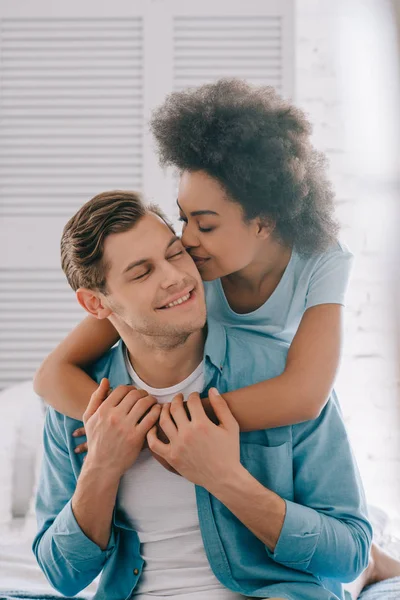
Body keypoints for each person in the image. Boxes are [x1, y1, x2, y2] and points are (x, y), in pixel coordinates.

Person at [33, 80, 400, 596]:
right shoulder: (198, 263)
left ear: (263, 224)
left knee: (353, 552)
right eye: (143, 271)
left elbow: (305, 395)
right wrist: (102, 461)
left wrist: (208, 456)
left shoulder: (301, 298)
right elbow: (60, 575)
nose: (182, 257)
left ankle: (379, 564)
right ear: (99, 303)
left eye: (188, 239)